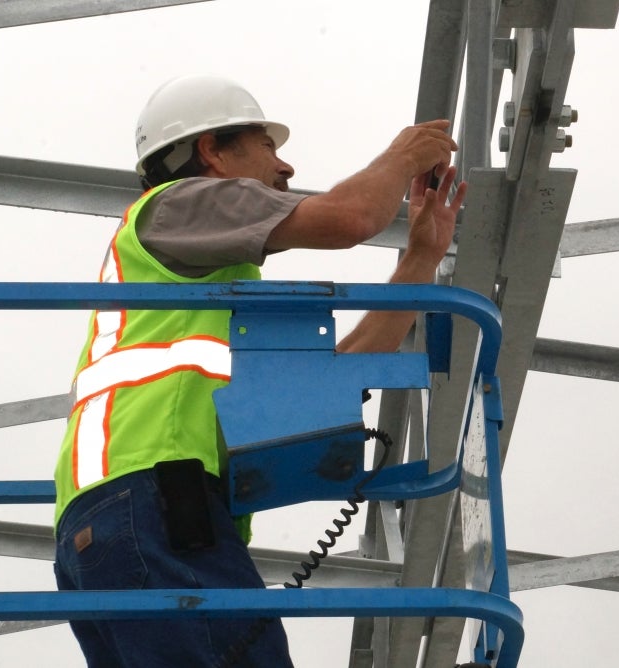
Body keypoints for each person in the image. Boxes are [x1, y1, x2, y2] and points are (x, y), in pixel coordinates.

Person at [52, 74, 467, 668]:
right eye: (266, 146)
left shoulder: (207, 290)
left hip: (131, 518)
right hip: (154, 502)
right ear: (212, 152)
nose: (285, 166)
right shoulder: (180, 204)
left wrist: (421, 258)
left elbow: (334, 376)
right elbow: (349, 218)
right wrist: (403, 157)